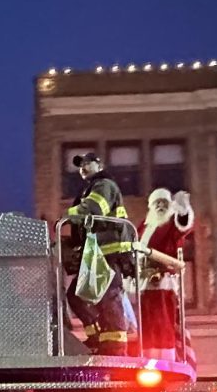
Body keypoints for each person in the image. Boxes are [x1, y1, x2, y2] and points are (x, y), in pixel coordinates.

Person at [65, 152, 133, 355]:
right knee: (76, 295)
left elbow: (94, 209)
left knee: (108, 296)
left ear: (99, 165)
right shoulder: (89, 188)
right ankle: (97, 335)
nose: (83, 168)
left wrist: (68, 215)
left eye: (87, 163)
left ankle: (116, 345)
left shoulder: (104, 184)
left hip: (109, 251)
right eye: (80, 166)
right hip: (96, 253)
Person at [134, 188, 194, 362]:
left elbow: (183, 227)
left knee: (163, 322)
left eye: (164, 203)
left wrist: (183, 211)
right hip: (143, 284)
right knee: (146, 324)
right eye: (157, 203)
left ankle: (165, 360)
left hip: (163, 283)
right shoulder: (144, 226)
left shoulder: (170, 225)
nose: (160, 206)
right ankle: (146, 358)